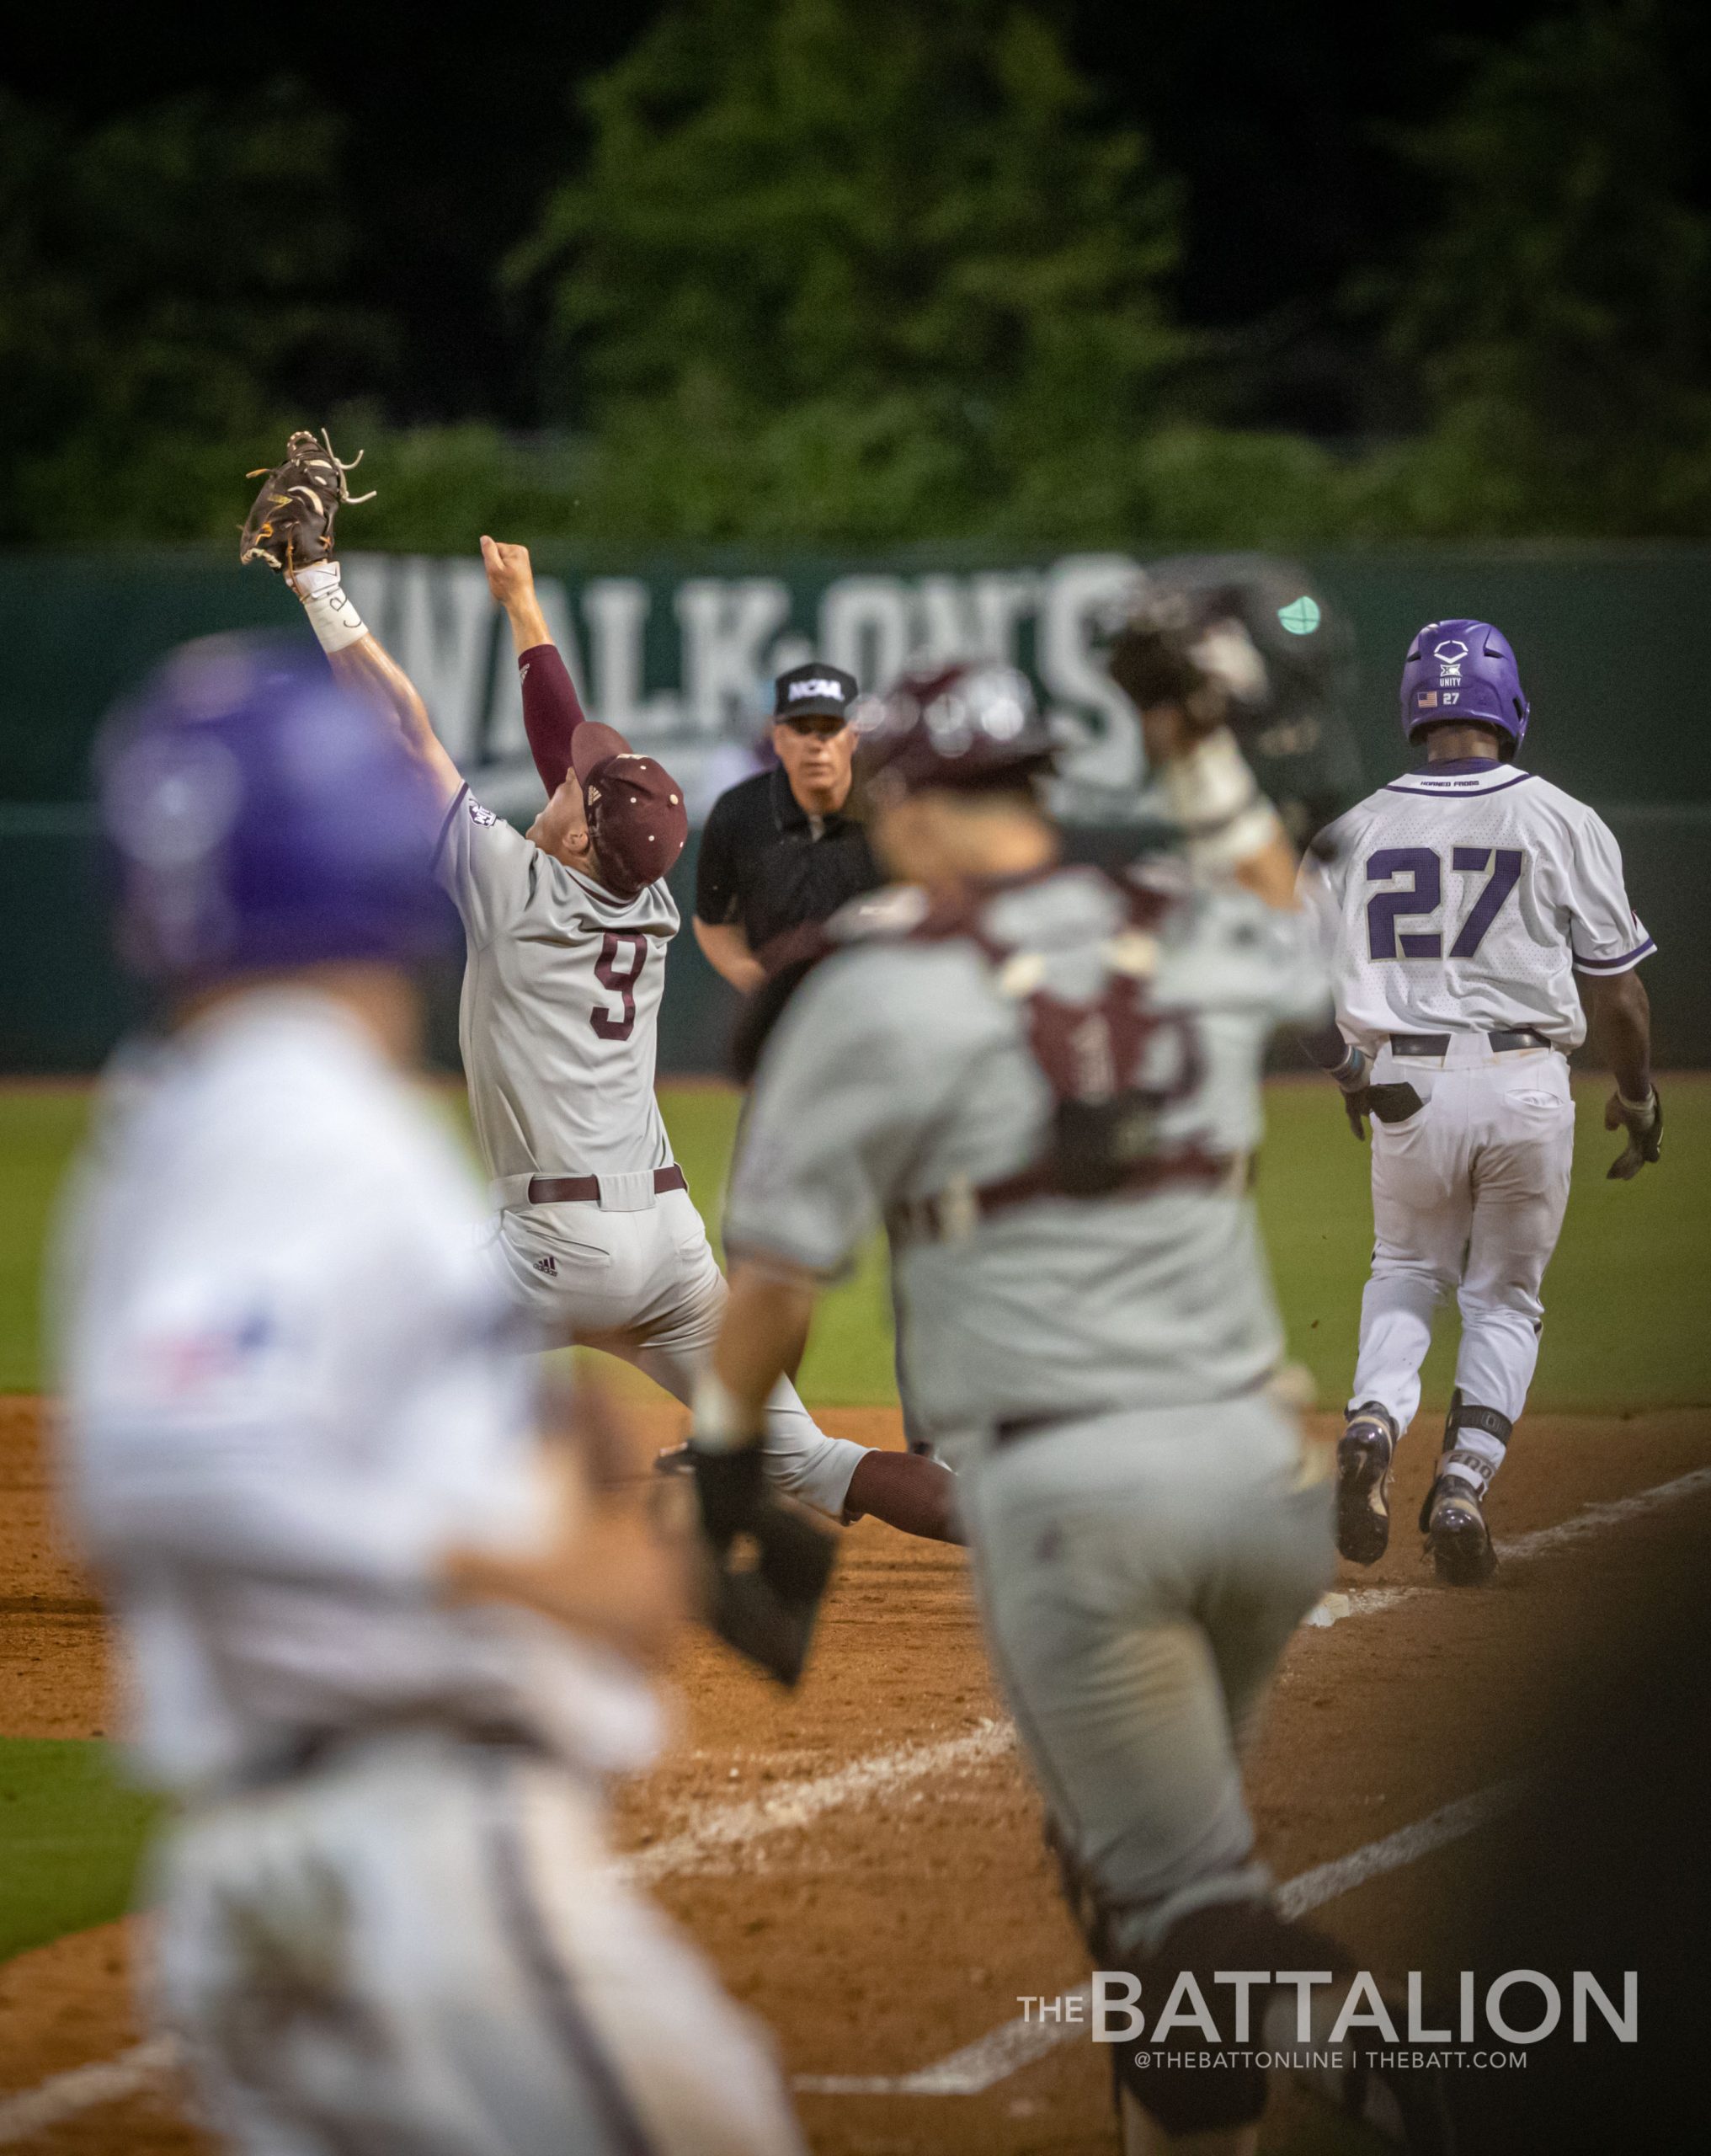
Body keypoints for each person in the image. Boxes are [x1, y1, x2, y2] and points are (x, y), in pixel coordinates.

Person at [686, 620, 1449, 2152]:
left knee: (1178, 1901)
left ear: (903, 803)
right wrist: (1189, 741)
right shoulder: (1169, 914)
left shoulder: (872, 979)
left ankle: (1374, 2065)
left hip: (1070, 1505)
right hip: (1254, 1474)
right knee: (1143, 1872)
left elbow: (768, 1292)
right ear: (1039, 779)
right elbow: (1286, 923)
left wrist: (721, 1477)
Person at [51, 629, 807, 2155]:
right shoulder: (307, 1116)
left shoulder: (198, 1110)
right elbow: (158, 1453)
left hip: (306, 1850)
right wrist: (511, 1565)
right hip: (423, 1868)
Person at [254, 439, 954, 1545]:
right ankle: (1050, 1527)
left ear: (579, 832)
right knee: (813, 1458)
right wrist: (525, 611)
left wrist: (318, 584)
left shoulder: (512, 882)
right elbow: (568, 761)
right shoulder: (646, 891)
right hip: (669, 1245)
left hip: (552, 1251)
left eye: (579, 788)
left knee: (345, 1363)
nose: (567, 776)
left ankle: (301, 1568)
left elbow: (404, 732)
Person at [1302, 619, 1660, 1586]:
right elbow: (1617, 991)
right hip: (1525, 1082)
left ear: (1411, 709)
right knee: (1502, 1298)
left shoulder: (1352, 827)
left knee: (1404, 1272)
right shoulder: (1559, 815)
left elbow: (1292, 993)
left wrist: (1348, 1074)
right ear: (1509, 708)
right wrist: (1634, 1094)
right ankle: (1460, 1482)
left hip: (1406, 1082)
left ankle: (1373, 1421)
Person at [692, 661, 883, 994]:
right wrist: (759, 987)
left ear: (854, 736)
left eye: (829, 726)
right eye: (801, 728)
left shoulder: (889, 813)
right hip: (782, 1006)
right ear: (778, 735)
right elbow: (713, 922)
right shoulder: (739, 810)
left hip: (875, 1000)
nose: (816, 742)